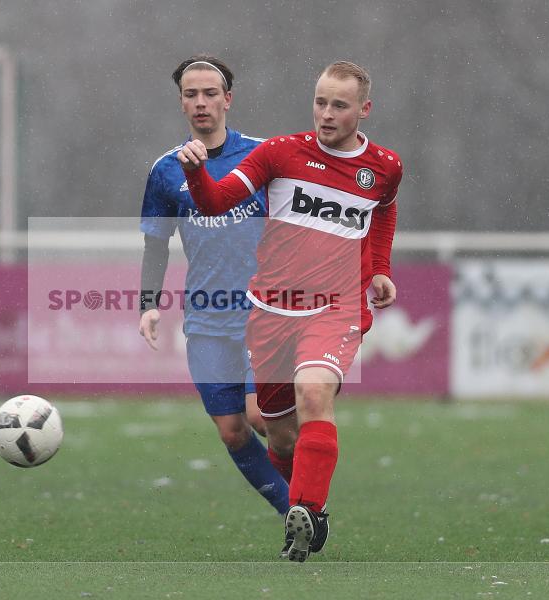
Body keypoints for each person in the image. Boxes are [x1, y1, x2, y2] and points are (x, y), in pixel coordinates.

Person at [176, 60, 402, 561]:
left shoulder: (384, 166)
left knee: (314, 392)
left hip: (338, 305)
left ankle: (308, 514)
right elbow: (215, 203)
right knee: (279, 433)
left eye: (339, 105)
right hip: (272, 310)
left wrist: (380, 267)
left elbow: (383, 208)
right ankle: (302, 501)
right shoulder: (278, 153)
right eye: (320, 102)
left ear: (364, 110)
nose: (326, 114)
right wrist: (196, 174)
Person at [139, 55, 290, 515]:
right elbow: (156, 245)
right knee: (231, 431)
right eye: (191, 95)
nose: (201, 103)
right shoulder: (166, 170)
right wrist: (148, 304)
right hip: (204, 320)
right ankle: (295, 513)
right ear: (181, 104)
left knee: (261, 416)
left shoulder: (264, 156)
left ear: (228, 99)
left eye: (210, 94)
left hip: (261, 312)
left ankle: (307, 501)